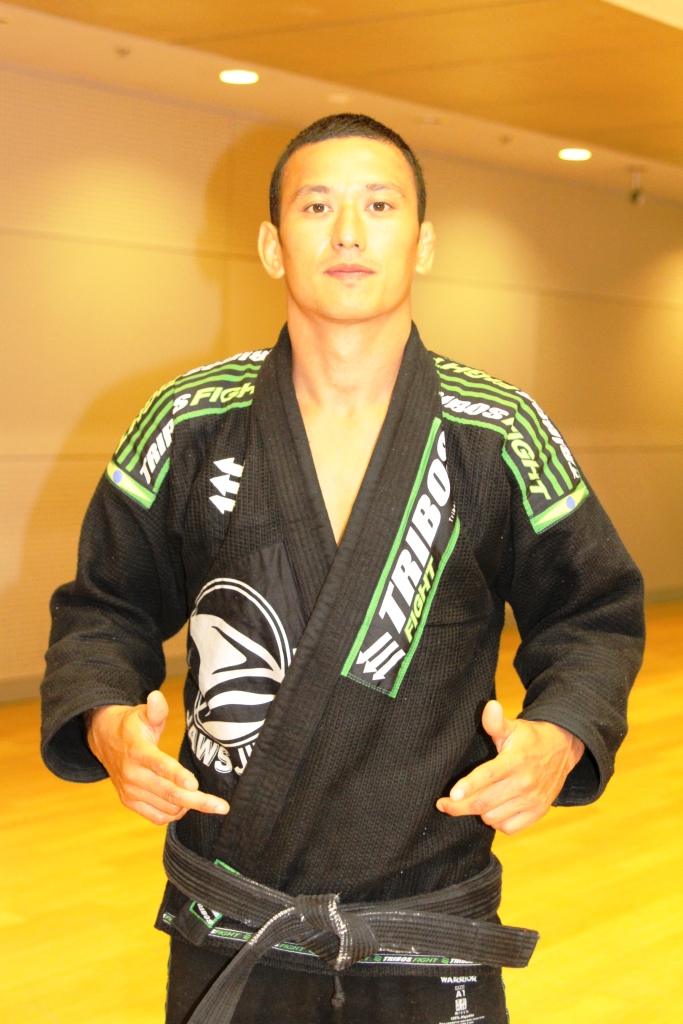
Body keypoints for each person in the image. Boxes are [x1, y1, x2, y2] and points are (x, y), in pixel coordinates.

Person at [41, 114, 644, 1024]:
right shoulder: (188, 421)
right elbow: (104, 607)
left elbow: (592, 612)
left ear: (423, 242)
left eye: (380, 206)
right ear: (272, 244)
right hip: (232, 917)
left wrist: (560, 733)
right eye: (317, 206)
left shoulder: (495, 431)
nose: (349, 233)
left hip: (426, 917)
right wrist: (104, 723)